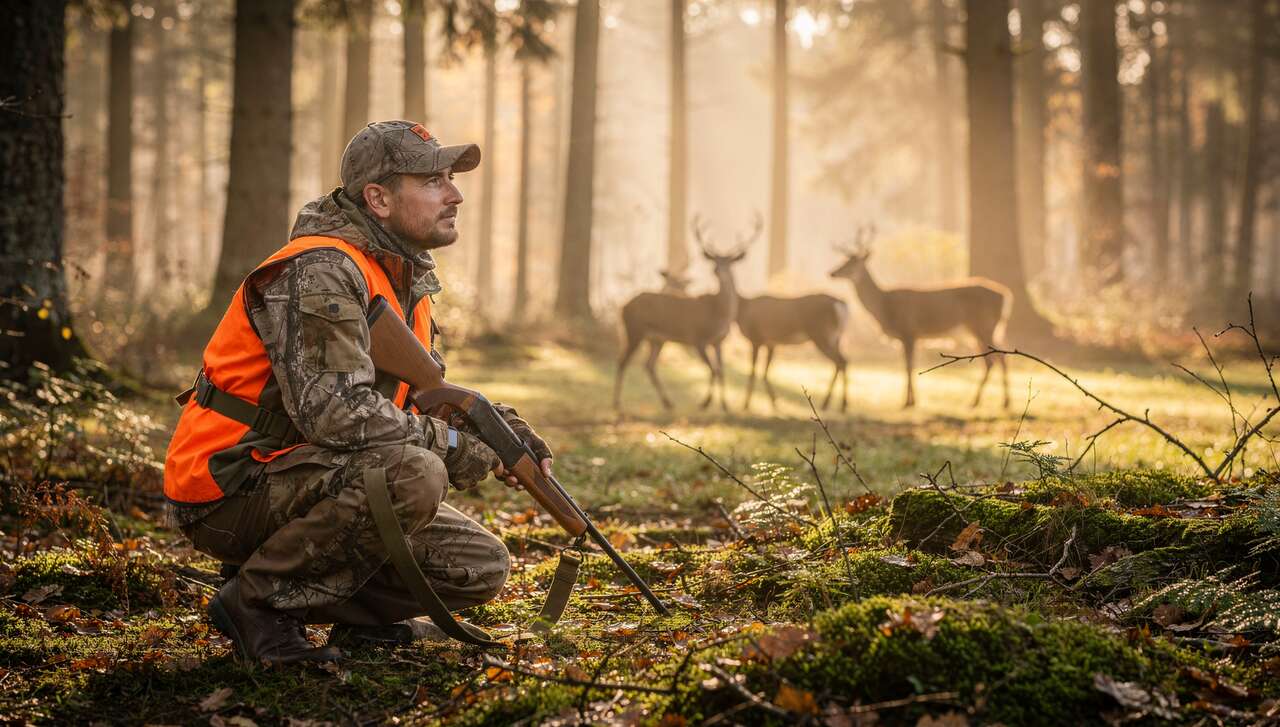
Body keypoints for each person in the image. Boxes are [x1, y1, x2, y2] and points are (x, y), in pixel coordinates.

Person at [163, 121, 553, 665]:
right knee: (415, 474)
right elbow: (337, 415)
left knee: (478, 565)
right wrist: (459, 448)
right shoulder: (320, 268)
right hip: (233, 481)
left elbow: (421, 395)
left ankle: (333, 609)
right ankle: (255, 604)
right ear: (379, 198)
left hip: (302, 475)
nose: (456, 194)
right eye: (434, 180)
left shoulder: (399, 275)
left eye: (451, 180)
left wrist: (498, 426)